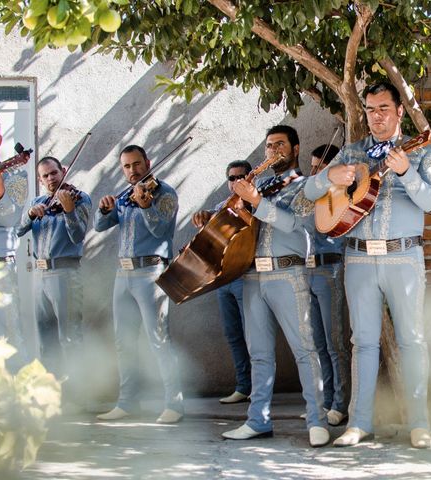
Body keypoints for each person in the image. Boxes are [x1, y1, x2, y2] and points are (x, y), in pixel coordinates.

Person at [305, 82, 431, 448]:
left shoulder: (424, 150)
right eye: (370, 109)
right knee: (361, 341)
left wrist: (407, 172)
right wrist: (327, 177)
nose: (376, 116)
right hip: (359, 256)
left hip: (404, 257)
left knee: (412, 340)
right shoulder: (351, 151)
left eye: (383, 108)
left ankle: (419, 423)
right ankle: (359, 422)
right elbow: (310, 193)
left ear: (399, 112)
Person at [221, 125, 328, 448]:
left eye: (280, 145)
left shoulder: (306, 186)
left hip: (287, 274)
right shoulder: (262, 185)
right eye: (269, 146)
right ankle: (258, 421)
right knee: (260, 354)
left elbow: (296, 224)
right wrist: (234, 211)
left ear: (295, 149)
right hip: (252, 276)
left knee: (305, 350)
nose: (273, 151)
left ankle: (317, 421)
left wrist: (256, 202)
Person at [95, 145, 183, 424]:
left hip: (151, 272)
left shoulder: (164, 193)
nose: (132, 171)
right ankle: (127, 402)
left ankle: (174, 403)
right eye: (127, 166)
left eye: (136, 164)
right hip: (123, 275)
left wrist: (146, 205)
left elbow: (160, 229)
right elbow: (99, 226)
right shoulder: (124, 196)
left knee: (158, 339)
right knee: (124, 342)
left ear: (148, 162)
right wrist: (103, 209)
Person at [16, 156, 91, 402]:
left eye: (54, 173)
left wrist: (68, 211)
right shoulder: (39, 202)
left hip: (65, 272)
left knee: (69, 337)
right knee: (46, 338)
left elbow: (78, 235)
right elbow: (19, 229)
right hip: (40, 274)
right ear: (40, 179)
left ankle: (78, 395)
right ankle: (51, 396)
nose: (51, 179)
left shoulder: (79, 198)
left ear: (63, 171)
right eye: (45, 176)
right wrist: (29, 213)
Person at [192, 160, 253, 405]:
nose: (236, 182)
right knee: (232, 333)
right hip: (223, 278)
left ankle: (259, 388)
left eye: (241, 177)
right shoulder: (221, 206)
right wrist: (204, 218)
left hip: (247, 276)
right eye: (231, 178)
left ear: (250, 178)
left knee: (254, 336)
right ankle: (243, 385)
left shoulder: (256, 201)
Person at [307, 144, 350, 426]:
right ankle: (326, 400)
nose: (314, 171)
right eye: (312, 166)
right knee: (319, 343)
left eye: (319, 166)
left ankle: (341, 403)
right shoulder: (311, 194)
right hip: (308, 271)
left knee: (335, 342)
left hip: (330, 268)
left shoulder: (340, 195)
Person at [0, 116, 29, 370]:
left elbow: (12, 220)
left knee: (7, 332)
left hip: (0, 266)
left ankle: (17, 397)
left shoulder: (14, 173)